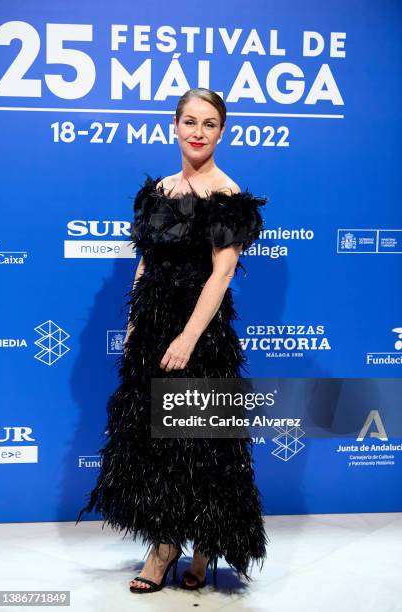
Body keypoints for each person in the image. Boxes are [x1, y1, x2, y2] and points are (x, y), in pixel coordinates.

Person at [75, 87, 270, 594]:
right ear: (174, 126)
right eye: (190, 122)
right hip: (154, 329)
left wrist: (187, 337)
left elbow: (221, 275)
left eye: (209, 124)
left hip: (200, 335)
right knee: (159, 448)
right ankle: (165, 543)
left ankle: (196, 549)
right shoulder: (158, 191)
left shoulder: (229, 195)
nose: (198, 133)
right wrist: (136, 325)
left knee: (199, 445)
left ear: (222, 132)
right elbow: (145, 264)